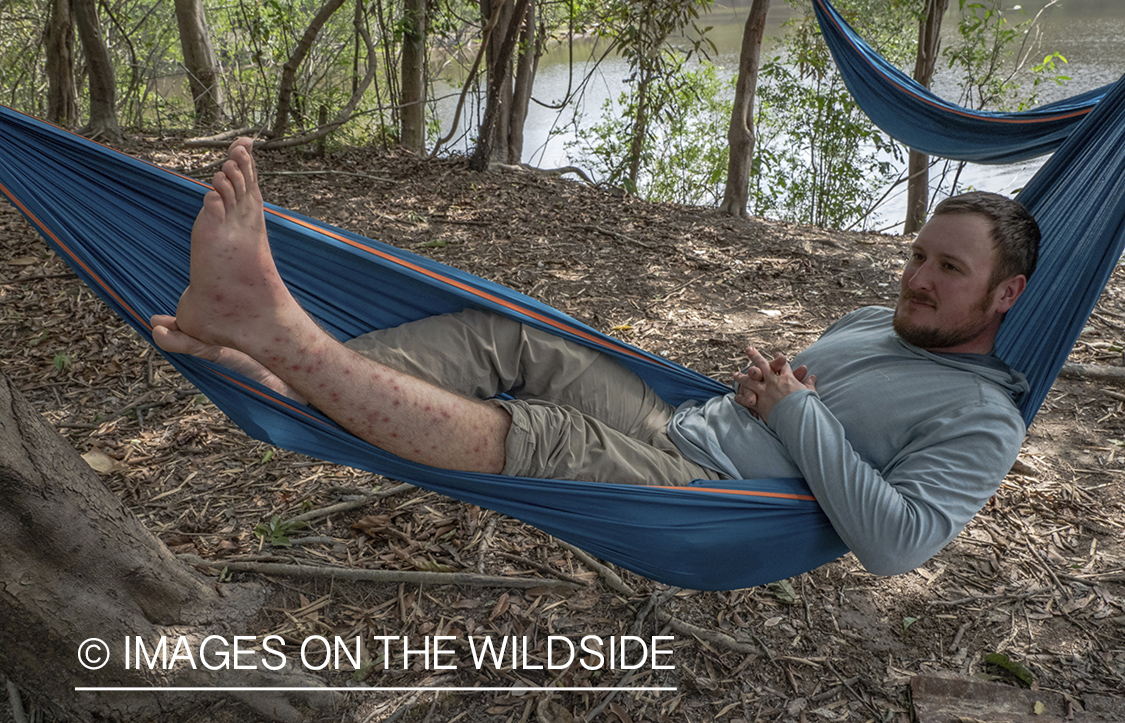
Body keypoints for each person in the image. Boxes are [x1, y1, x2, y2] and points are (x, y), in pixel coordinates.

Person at [153, 138, 1038, 576]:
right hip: (681, 423)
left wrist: (795, 412)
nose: (916, 279)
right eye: (917, 255)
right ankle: (278, 373)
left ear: (1006, 296)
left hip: (711, 502)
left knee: (541, 435)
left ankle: (279, 335)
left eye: (947, 269)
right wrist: (770, 396)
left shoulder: (981, 418)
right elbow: (796, 398)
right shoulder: (873, 318)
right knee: (511, 337)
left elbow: (897, 545)